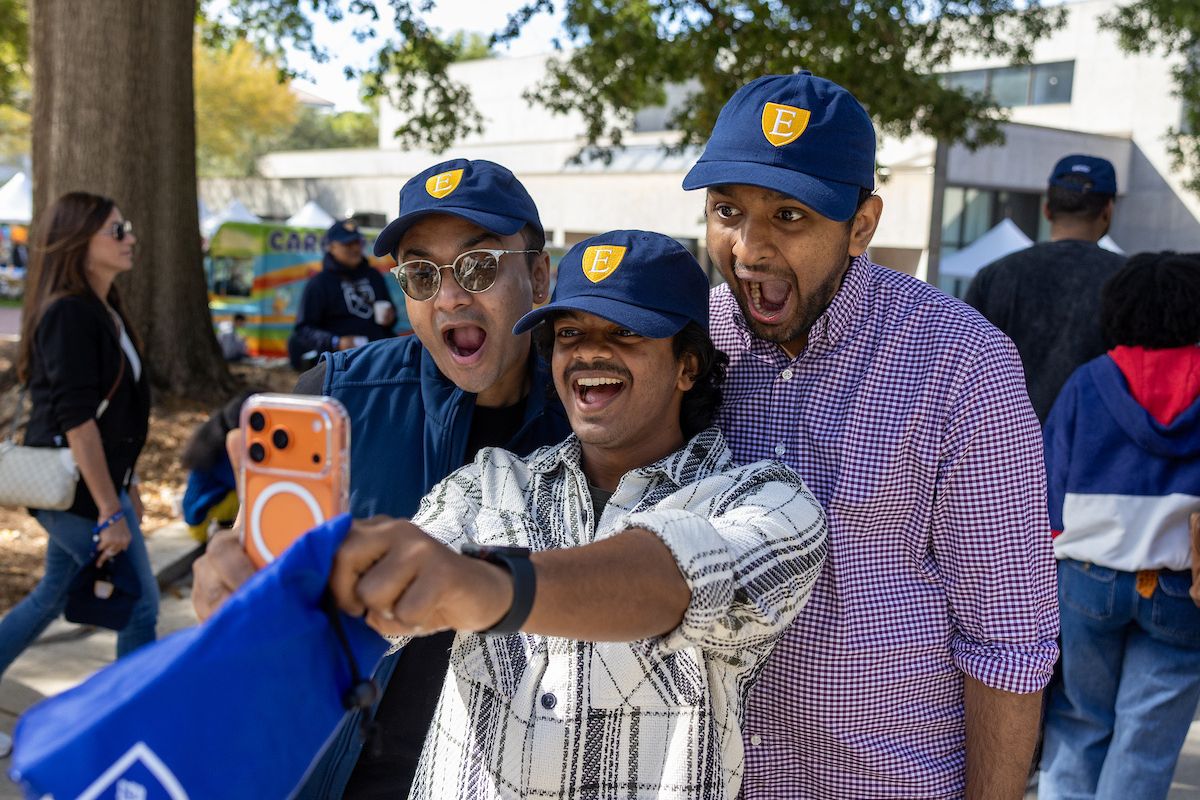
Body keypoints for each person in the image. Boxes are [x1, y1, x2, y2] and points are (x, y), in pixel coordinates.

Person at [329, 229, 827, 799]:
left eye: (624, 333)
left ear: (688, 365)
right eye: (569, 334)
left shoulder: (767, 502)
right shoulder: (490, 482)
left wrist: (485, 587)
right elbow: (375, 603)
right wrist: (291, 586)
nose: (589, 351)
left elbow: (679, 580)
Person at [681, 72, 1059, 797]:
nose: (749, 249)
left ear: (862, 225)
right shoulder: (695, 340)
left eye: (789, 216)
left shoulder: (963, 365)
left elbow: (1009, 644)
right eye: (727, 210)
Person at [191, 158, 572, 798]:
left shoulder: (589, 419)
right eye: (421, 274)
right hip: (334, 769)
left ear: (538, 275)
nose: (450, 296)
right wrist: (228, 571)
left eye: (478, 267)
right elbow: (256, 561)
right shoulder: (335, 401)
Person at [1038, 251, 1200, 799]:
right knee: (1145, 740)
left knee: (1079, 721)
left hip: (1087, 577)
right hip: (1181, 585)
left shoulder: (1089, 382)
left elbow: (1050, 486)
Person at [0, 192, 156, 679]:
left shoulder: (105, 307)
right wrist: (112, 511)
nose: (129, 237)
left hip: (96, 485)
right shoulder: (70, 313)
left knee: (52, 594)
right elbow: (77, 421)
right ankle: (126, 735)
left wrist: (126, 483)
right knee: (138, 606)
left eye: (125, 226)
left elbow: (116, 416)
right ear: (78, 242)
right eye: (116, 230)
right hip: (74, 493)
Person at [965, 154, 1126, 422]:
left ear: (1047, 209)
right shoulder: (1130, 282)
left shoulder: (995, 276)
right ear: (1107, 211)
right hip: (1095, 449)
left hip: (1000, 446)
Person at [287, 219, 398, 371]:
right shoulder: (319, 283)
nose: (355, 248)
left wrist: (390, 317)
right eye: (347, 244)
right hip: (341, 365)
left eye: (357, 242)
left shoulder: (374, 276)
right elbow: (303, 329)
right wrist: (336, 342)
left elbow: (390, 315)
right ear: (331, 247)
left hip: (380, 358)